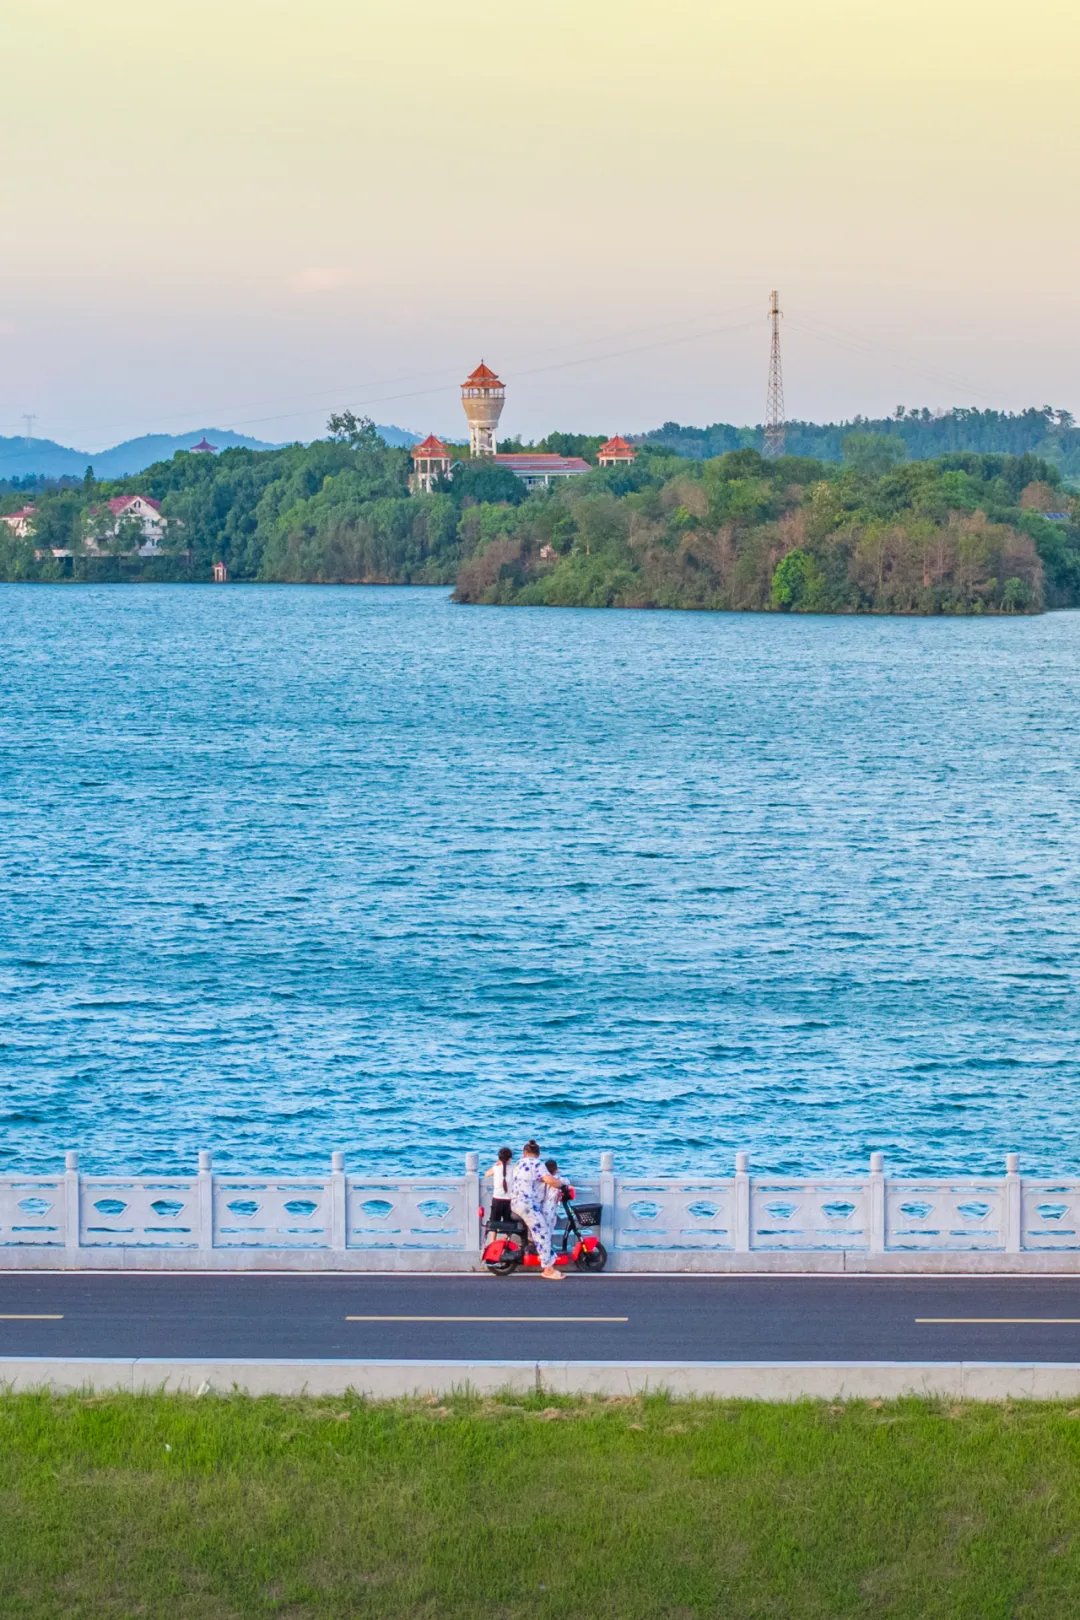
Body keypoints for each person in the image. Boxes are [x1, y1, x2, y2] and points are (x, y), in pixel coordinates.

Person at [510, 1140, 564, 1280]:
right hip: (527, 1204)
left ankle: (533, 1246)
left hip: (515, 1202)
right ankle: (548, 1269)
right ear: (537, 1154)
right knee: (543, 1231)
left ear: (524, 1153)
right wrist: (561, 1185)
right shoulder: (537, 1164)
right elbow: (549, 1180)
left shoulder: (518, 1163)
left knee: (536, 1228)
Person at [485, 1146, 514, 1225]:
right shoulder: (513, 1168)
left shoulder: (495, 1168)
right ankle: (508, 1237)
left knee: (493, 1224)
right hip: (509, 1200)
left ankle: (492, 1238)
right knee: (509, 1225)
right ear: (510, 1159)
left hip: (497, 1200)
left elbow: (486, 1174)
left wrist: (495, 1165)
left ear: (499, 1158)